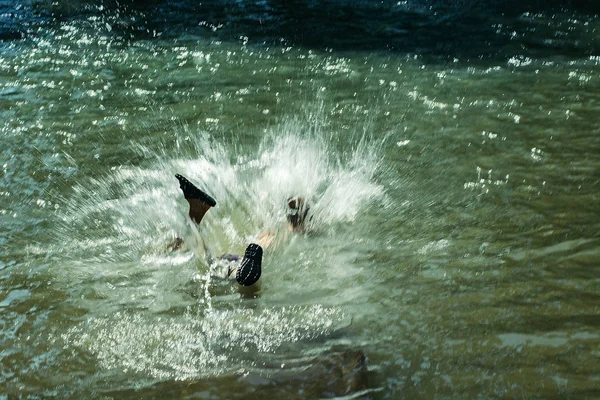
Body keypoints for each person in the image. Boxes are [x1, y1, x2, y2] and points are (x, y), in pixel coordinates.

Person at [173, 174, 309, 287]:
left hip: (233, 257)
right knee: (229, 271)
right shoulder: (288, 232)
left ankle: (194, 213)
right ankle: (194, 216)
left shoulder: (272, 228)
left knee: (202, 255)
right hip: (241, 263)